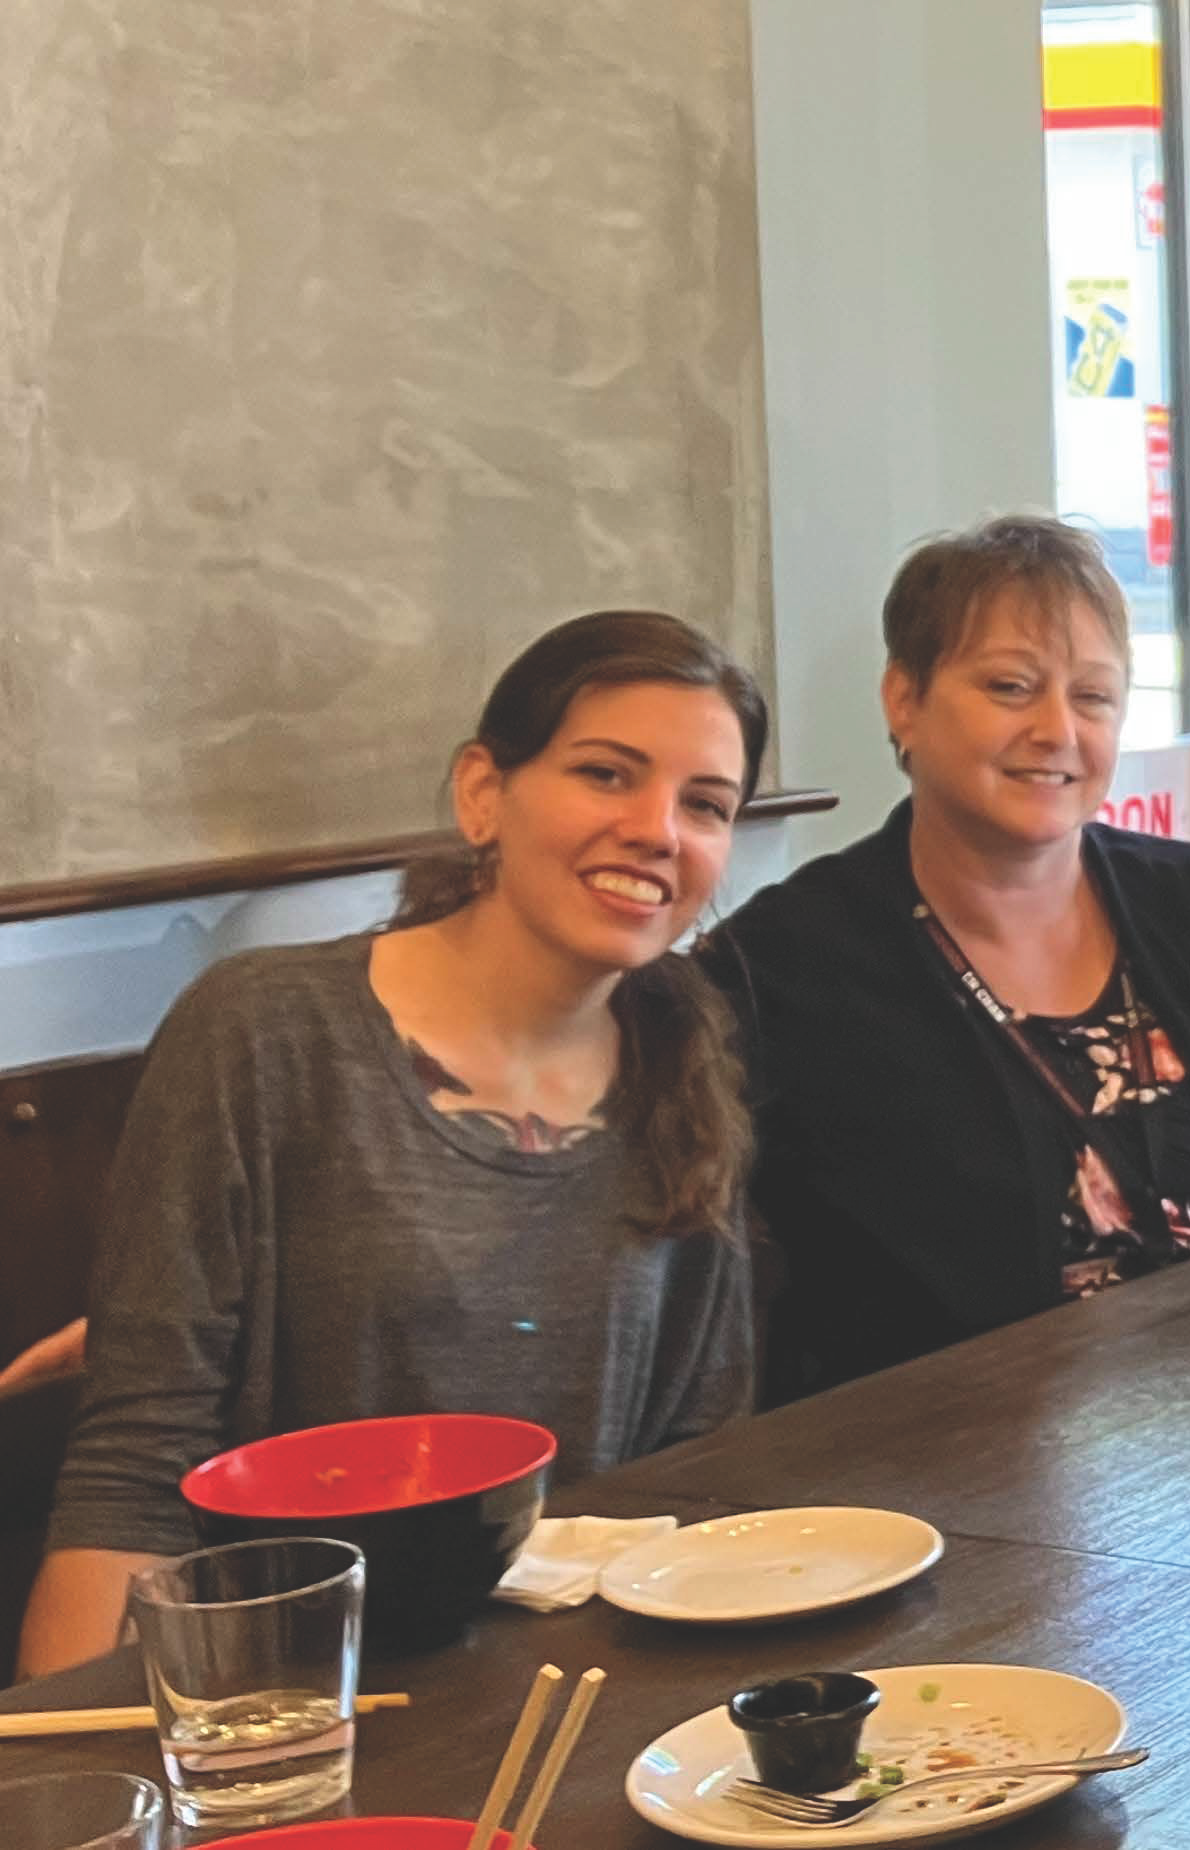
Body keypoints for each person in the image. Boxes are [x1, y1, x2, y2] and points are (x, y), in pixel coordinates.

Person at [22, 611, 765, 1678]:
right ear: (482, 792)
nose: (659, 829)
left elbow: (700, 1456)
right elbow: (137, 1458)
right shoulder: (264, 1028)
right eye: (606, 774)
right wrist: (50, 1779)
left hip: (586, 1684)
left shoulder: (683, 1051)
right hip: (293, 1684)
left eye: (706, 804)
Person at [708, 516, 1190, 1397]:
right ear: (904, 699)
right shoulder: (781, 965)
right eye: (1011, 687)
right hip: (955, 1469)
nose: (1057, 730)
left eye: (1093, 699)